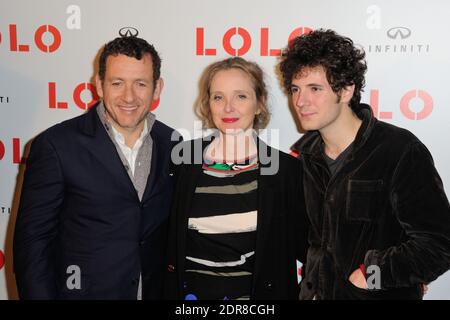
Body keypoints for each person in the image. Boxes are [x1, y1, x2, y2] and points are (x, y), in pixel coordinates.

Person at [279, 29, 450, 300]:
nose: (300, 101)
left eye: (315, 89)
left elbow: (439, 245)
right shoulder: (305, 160)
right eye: (295, 89)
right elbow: (314, 242)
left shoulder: (399, 150)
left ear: (346, 90)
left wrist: (374, 274)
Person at [13, 36, 178, 299]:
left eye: (140, 84)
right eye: (117, 83)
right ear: (99, 85)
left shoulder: (172, 143)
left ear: (157, 88)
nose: (129, 96)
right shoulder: (56, 145)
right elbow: (33, 245)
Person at [164, 57, 309, 300]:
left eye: (240, 96)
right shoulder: (183, 161)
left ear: (259, 103)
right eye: (218, 97)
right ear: (208, 103)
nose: (228, 107)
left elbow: (308, 250)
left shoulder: (287, 171)